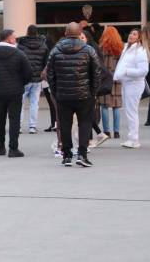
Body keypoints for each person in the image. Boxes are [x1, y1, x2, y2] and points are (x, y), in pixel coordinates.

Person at [47, 22, 102, 167]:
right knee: (85, 123)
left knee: (65, 124)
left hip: (63, 95)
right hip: (84, 95)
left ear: (65, 33)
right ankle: (82, 154)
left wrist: (55, 91)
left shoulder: (56, 50)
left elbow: (50, 74)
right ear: (80, 33)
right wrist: (93, 92)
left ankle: (66, 155)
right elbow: (96, 73)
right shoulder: (88, 50)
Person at [0, 29, 31, 157]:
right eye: (14, 38)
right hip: (15, 91)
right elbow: (28, 73)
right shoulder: (19, 54)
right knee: (14, 119)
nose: (15, 40)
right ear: (9, 39)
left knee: (0, 118)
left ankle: (1, 147)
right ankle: (13, 148)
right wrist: (21, 83)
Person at [114, 28, 150, 149]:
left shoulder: (140, 51)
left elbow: (144, 70)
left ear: (139, 38)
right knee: (129, 111)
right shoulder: (127, 48)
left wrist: (126, 72)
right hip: (127, 82)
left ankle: (134, 139)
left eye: (134, 34)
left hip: (134, 84)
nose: (131, 35)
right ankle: (132, 138)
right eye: (130, 33)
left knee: (131, 111)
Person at [18, 25, 48, 134]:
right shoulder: (43, 45)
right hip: (37, 78)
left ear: (27, 32)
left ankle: (19, 126)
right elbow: (46, 63)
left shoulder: (21, 45)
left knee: (20, 103)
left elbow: (18, 62)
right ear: (37, 33)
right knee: (34, 103)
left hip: (23, 78)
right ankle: (32, 126)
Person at [97, 26, 123, 142]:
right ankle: (116, 132)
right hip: (117, 79)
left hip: (105, 79)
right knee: (116, 106)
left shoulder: (101, 48)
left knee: (104, 106)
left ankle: (106, 131)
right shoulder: (120, 48)